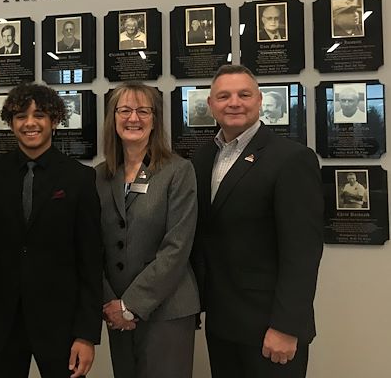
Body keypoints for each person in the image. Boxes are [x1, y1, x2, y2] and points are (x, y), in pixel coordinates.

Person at [192, 65, 324, 378]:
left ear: (260, 100)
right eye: (223, 96)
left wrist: (286, 326)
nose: (233, 102)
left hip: (270, 328)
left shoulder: (291, 159)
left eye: (243, 94)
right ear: (211, 104)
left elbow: (302, 252)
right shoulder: (201, 159)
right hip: (222, 322)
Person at [0, 83, 103, 378]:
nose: (29, 123)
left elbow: (91, 261)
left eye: (39, 115)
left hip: (61, 325)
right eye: (20, 116)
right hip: (2, 322)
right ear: (11, 123)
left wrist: (86, 334)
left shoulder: (79, 178)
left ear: (54, 120)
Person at [97, 82, 200, 378]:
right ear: (113, 118)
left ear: (155, 119)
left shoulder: (177, 171)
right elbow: (94, 246)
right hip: (115, 309)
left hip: (167, 310)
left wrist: (131, 305)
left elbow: (177, 247)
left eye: (144, 111)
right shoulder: (100, 176)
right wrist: (111, 304)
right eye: (125, 110)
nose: (134, 118)